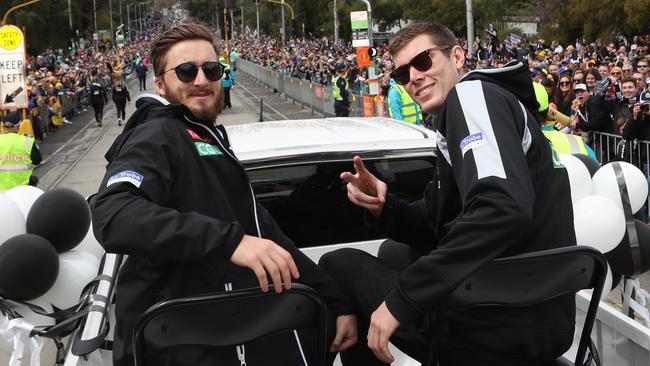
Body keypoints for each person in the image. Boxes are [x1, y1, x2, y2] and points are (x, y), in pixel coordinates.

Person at [91, 23, 356, 366]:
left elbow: (263, 233)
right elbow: (113, 214)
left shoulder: (204, 135)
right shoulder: (157, 134)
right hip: (182, 343)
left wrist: (334, 299)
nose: (201, 80)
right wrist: (229, 242)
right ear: (160, 84)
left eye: (211, 69)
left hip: (230, 330)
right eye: (186, 71)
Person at [319, 22, 576, 365]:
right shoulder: (471, 114)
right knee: (393, 250)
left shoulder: (472, 97)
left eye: (423, 61)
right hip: (536, 316)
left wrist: (402, 300)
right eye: (401, 73)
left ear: (457, 56)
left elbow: (502, 209)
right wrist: (385, 207)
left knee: (338, 263)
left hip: (495, 323)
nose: (412, 77)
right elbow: (433, 221)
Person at [0, 122, 41, 190]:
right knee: (34, 180)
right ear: (17, 127)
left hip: (1, 189)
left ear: (4, 127)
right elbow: (37, 160)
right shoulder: (27, 140)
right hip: (24, 186)